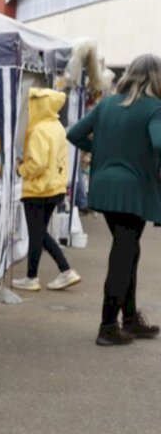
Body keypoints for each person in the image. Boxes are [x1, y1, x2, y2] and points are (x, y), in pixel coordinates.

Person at [67, 53, 161, 346]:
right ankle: (108, 326)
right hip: (132, 191)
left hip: (105, 187)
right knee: (124, 253)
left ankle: (130, 320)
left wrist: (100, 149)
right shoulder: (155, 108)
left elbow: (74, 133)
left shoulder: (107, 104)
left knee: (127, 250)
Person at [12, 88, 80, 292]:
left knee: (38, 233)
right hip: (55, 187)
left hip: (38, 190)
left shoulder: (38, 129)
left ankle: (65, 270)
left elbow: (37, 164)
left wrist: (20, 168)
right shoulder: (57, 126)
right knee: (38, 233)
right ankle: (32, 276)